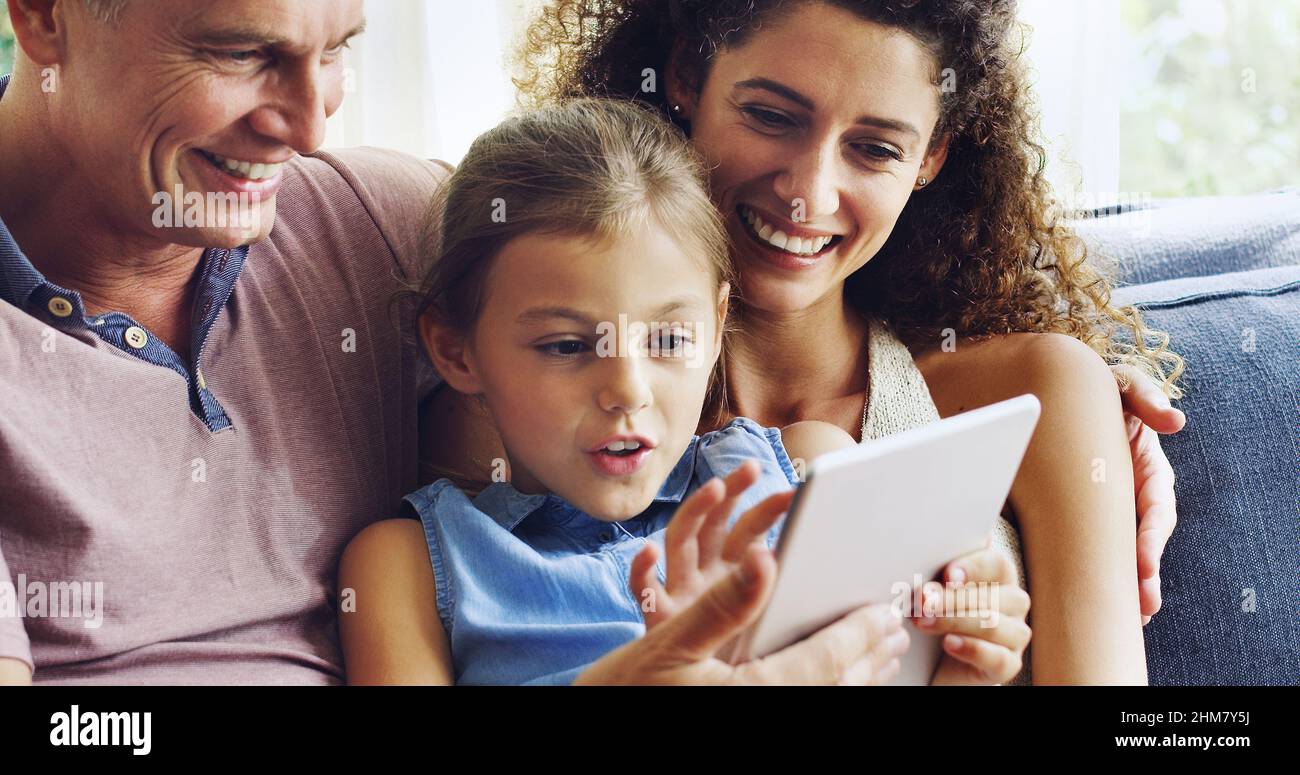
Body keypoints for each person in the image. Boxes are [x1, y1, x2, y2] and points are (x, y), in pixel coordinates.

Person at [426, 0, 1192, 683]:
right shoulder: (546, 416)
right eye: (773, 115)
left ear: (931, 156)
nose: (808, 194)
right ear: (688, 72)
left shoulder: (1043, 390)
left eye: (876, 148)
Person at [337, 97, 1031, 685]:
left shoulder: (807, 472)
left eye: (669, 341)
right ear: (455, 350)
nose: (627, 390)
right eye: (568, 346)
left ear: (717, 322)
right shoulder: (408, 566)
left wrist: (962, 660)